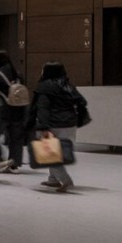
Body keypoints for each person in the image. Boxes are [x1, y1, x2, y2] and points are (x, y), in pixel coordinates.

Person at [29, 60, 87, 194]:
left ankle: (66, 181)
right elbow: (82, 101)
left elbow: (43, 108)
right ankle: (53, 178)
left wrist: (43, 127)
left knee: (49, 155)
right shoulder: (68, 86)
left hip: (54, 124)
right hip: (70, 124)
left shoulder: (44, 87)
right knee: (58, 152)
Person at [0, 49, 29, 174]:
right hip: (19, 109)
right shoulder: (17, 73)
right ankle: (14, 164)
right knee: (15, 138)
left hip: (2, 110)